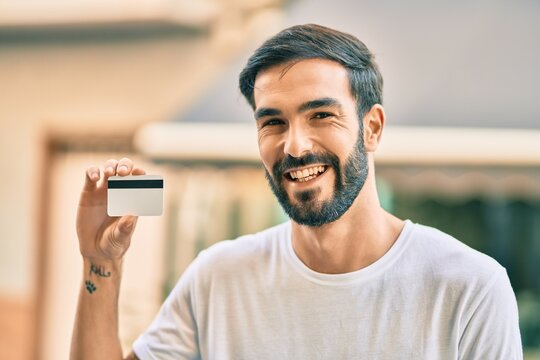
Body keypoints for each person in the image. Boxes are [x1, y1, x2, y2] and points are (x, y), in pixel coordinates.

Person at [70, 24, 522, 359]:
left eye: (321, 115)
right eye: (273, 122)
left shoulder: (468, 288)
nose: (296, 146)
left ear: (372, 128)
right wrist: (100, 263)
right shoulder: (219, 278)